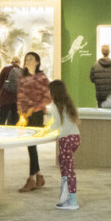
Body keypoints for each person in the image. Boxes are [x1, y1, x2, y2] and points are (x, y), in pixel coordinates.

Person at [16, 52, 51, 193]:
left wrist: (33, 109)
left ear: (37, 62)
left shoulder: (42, 78)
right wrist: (21, 114)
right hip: (25, 116)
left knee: (32, 145)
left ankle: (31, 179)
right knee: (30, 146)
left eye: (31, 59)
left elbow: (47, 98)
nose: (28, 61)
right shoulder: (22, 78)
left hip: (36, 115)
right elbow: (19, 96)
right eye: (27, 59)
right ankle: (39, 176)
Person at [47, 78, 81, 210]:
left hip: (66, 139)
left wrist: (44, 131)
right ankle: (66, 196)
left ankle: (72, 200)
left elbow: (56, 123)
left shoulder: (55, 105)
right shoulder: (68, 103)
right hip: (75, 137)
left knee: (68, 169)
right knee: (64, 163)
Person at [0, 53, 24, 127]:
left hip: (5, 98)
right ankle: (14, 137)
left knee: (1, 120)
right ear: (19, 62)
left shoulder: (5, 69)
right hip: (16, 99)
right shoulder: (22, 71)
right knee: (15, 121)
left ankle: (0, 136)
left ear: (11, 62)